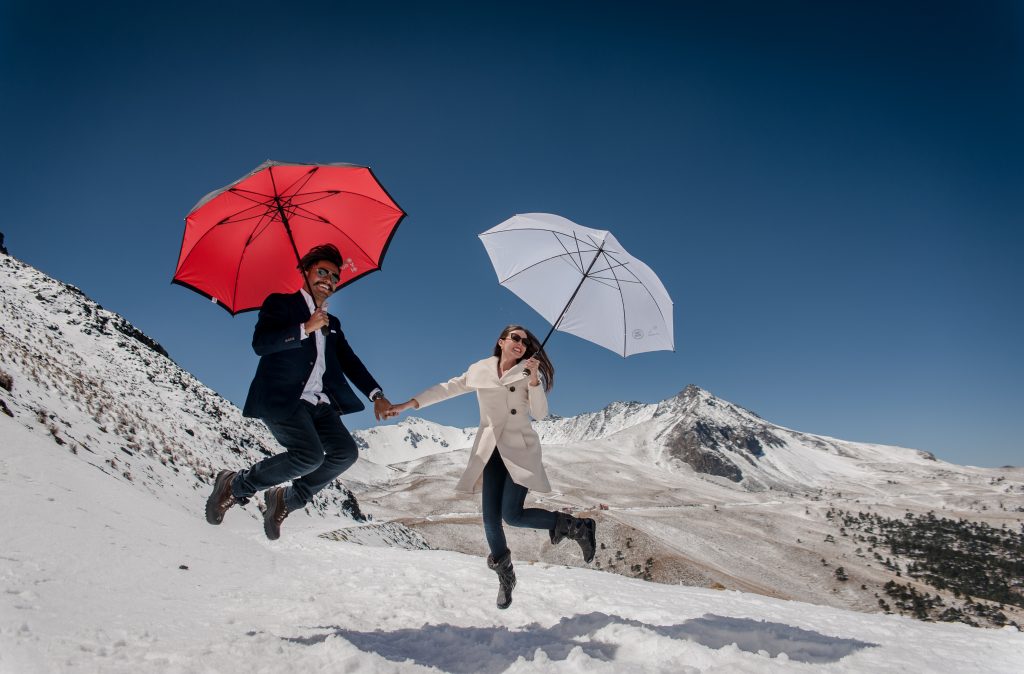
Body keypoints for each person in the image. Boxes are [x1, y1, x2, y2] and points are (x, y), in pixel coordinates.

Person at [388, 325, 596, 609]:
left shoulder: (528, 372)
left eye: (525, 341)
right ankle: (506, 576)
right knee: (490, 520)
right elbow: (448, 388)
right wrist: (410, 403)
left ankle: (579, 527)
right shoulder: (481, 370)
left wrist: (534, 378)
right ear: (501, 341)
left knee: (512, 515)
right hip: (491, 450)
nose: (521, 343)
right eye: (515, 338)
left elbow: (540, 413)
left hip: (519, 450)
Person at [205, 243, 394, 540]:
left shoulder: (333, 324)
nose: (329, 280)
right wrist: (304, 328)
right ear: (305, 272)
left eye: (335, 276)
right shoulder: (280, 304)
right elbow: (261, 344)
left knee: (346, 453)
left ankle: (287, 500)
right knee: (309, 456)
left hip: (319, 404)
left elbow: (349, 361)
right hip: (283, 399)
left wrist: (376, 394)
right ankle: (235, 485)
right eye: (322, 272)